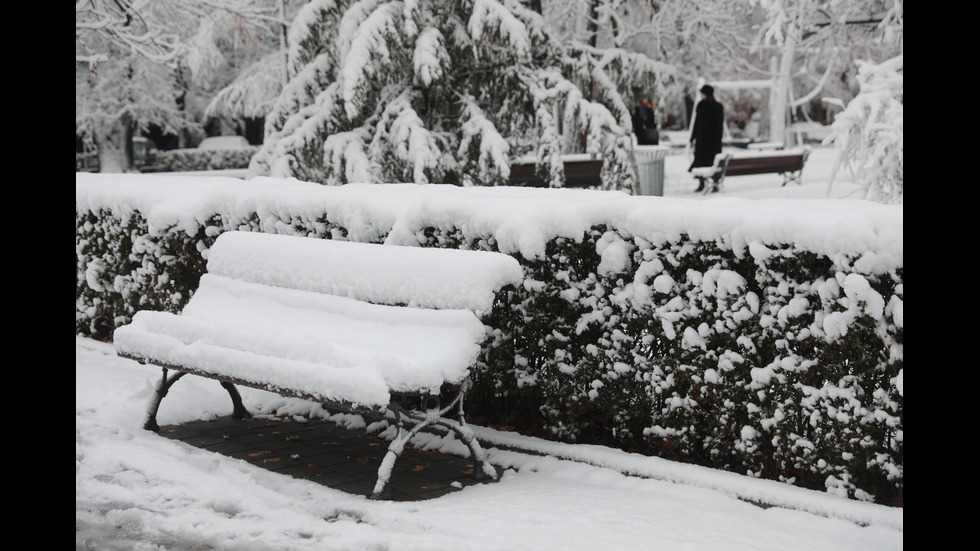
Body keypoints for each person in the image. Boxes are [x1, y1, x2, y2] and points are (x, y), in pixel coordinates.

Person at [688, 84, 724, 192]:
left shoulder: (717, 107)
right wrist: (692, 137)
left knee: (712, 162)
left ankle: (714, 184)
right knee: (700, 162)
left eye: (703, 93)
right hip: (702, 141)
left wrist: (717, 139)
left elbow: (719, 125)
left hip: (712, 141)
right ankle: (702, 183)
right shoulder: (701, 105)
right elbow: (697, 123)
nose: (701, 95)